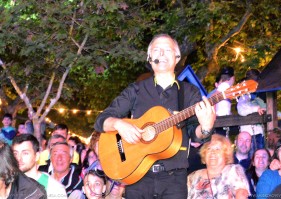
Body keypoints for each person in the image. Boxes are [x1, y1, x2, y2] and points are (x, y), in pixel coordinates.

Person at [94, 34, 216, 199]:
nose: (162, 54)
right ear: (150, 59)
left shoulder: (189, 93)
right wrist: (118, 124)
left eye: (167, 50)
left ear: (176, 57)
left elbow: (196, 132)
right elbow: (102, 119)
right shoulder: (136, 90)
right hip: (137, 176)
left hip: (174, 180)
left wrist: (206, 127)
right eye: (156, 51)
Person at [187, 134, 250, 198]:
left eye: (217, 149)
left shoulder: (233, 171)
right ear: (204, 153)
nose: (212, 152)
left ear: (226, 154)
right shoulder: (192, 177)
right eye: (209, 149)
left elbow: (242, 193)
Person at [11, 134, 67, 199]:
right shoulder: (8, 182)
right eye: (15, 154)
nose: (19, 158)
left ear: (37, 156)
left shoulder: (54, 189)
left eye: (25, 153)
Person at [207, 66, 235, 136]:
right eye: (223, 81)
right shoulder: (216, 93)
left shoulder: (227, 94)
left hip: (223, 125)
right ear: (216, 84)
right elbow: (210, 108)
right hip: (216, 125)